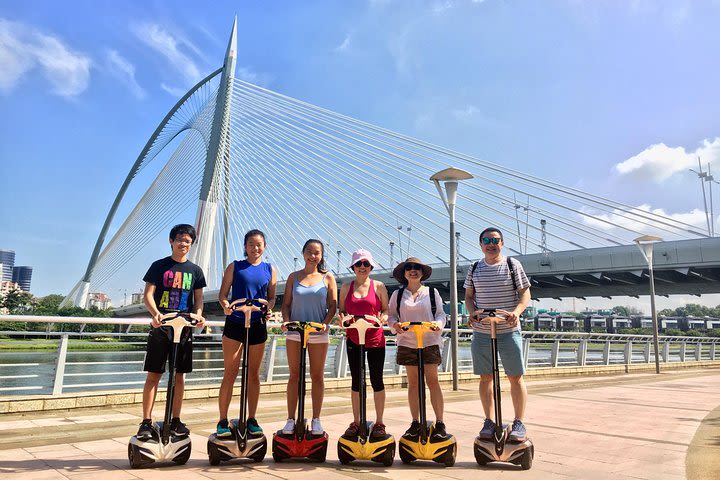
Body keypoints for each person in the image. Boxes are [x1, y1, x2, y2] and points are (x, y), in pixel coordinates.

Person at [137, 224, 206, 440]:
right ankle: (146, 422)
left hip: (183, 330)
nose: (183, 244)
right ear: (171, 241)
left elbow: (199, 300)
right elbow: (148, 294)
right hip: (161, 327)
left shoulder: (195, 271)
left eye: (188, 241)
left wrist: (199, 316)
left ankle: (176, 420)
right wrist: (155, 314)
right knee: (154, 375)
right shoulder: (159, 266)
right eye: (179, 240)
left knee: (179, 376)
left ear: (191, 244)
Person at [463, 227, 531, 442]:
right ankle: (489, 421)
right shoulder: (474, 268)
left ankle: (519, 421)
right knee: (485, 377)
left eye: (495, 240)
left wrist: (516, 313)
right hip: (483, 332)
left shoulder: (512, 265)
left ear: (502, 243)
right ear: (480, 244)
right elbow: (468, 296)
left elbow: (525, 294)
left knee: (515, 377)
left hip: (509, 330)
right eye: (486, 240)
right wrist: (472, 312)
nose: (491, 244)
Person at [215, 229, 277, 437]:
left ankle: (251, 419)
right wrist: (226, 305)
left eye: (259, 244)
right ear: (245, 246)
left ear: (264, 246)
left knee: (253, 375)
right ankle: (223, 420)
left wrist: (268, 308)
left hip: (257, 323)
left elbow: (272, 298)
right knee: (230, 373)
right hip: (235, 323)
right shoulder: (235, 267)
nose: (255, 248)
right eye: (251, 244)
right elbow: (223, 295)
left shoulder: (270, 269)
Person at [281, 239, 338, 435]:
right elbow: (286, 304)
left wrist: (325, 323)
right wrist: (287, 322)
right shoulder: (293, 277)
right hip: (295, 332)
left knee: (317, 376)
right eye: (309, 252)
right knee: (294, 376)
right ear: (303, 253)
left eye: (317, 253)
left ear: (321, 256)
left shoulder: (328, 277)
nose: (313, 256)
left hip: (317, 333)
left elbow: (333, 306)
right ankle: (290, 419)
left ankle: (316, 419)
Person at [387, 257, 448, 437]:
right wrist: (394, 326)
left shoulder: (431, 292)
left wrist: (438, 324)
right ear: (404, 273)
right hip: (407, 341)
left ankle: (440, 422)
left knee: (432, 381)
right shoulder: (397, 295)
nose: (413, 270)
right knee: (413, 383)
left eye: (417, 268)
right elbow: (391, 316)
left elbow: (440, 314)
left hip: (429, 340)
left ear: (422, 272)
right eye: (409, 268)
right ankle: (415, 421)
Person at [338, 249, 390, 438]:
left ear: (371, 266)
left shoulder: (379, 286)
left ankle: (380, 422)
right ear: (353, 266)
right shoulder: (345, 287)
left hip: (375, 339)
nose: (362, 267)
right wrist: (342, 320)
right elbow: (342, 312)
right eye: (359, 264)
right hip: (354, 338)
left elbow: (386, 310)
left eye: (366, 264)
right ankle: (356, 420)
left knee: (377, 379)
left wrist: (382, 319)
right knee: (356, 381)